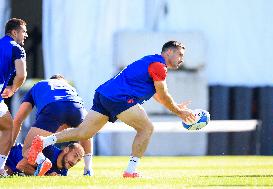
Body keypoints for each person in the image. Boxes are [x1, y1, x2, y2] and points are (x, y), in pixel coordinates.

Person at [28, 40, 196, 177]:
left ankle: (43, 142)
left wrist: (175, 106)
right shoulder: (159, 66)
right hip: (119, 98)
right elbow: (164, 93)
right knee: (146, 128)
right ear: (168, 52)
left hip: (104, 94)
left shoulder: (150, 61)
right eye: (180, 54)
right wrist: (179, 111)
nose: (181, 59)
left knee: (83, 133)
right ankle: (130, 171)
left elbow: (159, 96)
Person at [13, 74, 93, 176]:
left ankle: (42, 160)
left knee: (28, 149)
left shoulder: (40, 85)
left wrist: (11, 143)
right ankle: (88, 169)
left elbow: (18, 120)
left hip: (54, 108)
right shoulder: (70, 89)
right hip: (77, 108)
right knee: (85, 133)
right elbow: (87, 133)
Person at [0, 18, 28, 176]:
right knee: (8, 128)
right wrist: (13, 89)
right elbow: (22, 74)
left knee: (6, 125)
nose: (26, 35)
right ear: (14, 32)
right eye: (24, 31)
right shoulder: (17, 48)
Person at [4, 142, 84, 176]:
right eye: (75, 156)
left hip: (10, 167)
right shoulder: (48, 151)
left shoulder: (63, 171)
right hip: (8, 153)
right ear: (66, 150)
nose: (74, 162)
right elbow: (21, 166)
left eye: (78, 160)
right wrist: (46, 176)